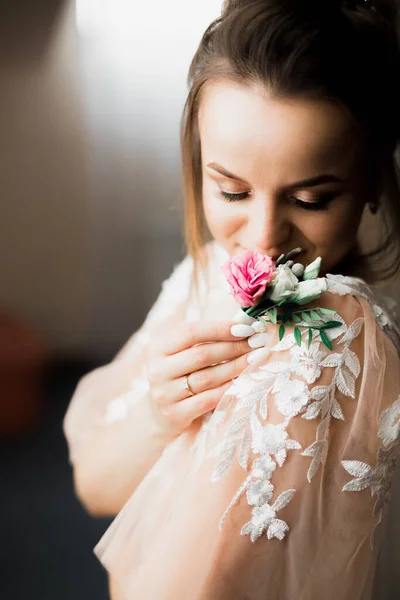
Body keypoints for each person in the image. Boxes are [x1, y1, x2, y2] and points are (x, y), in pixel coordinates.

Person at [63, 0, 400, 597]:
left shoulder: (326, 331)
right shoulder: (212, 266)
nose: (264, 239)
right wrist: (161, 415)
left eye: (311, 199)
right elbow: (93, 483)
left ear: (373, 178)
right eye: (231, 190)